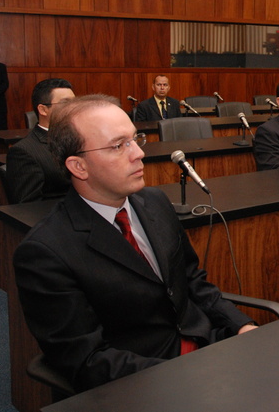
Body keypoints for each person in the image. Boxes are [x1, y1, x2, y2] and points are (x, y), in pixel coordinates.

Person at [13, 95, 256, 393]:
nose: (139, 153)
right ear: (79, 166)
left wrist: (241, 325)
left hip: (204, 344)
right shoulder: (45, 252)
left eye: (135, 139)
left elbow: (192, 281)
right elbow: (87, 361)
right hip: (142, 380)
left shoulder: (155, 202)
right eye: (118, 146)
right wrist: (189, 375)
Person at [6, 79, 75, 204]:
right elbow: (28, 207)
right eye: (65, 103)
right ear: (43, 110)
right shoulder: (24, 151)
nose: (73, 108)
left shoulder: (84, 138)